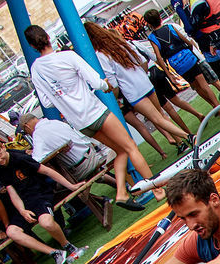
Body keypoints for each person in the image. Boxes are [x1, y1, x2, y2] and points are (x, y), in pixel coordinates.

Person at [25, 23, 157, 211]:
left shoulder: (36, 69)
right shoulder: (67, 56)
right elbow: (96, 81)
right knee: (130, 146)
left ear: (32, 46)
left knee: (120, 150)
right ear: (47, 37)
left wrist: (63, 97)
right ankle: (155, 188)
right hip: (94, 111)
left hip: (80, 122)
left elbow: (46, 102)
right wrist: (103, 85)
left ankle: (121, 192)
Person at [84, 22, 191, 159]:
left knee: (157, 119)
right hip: (144, 82)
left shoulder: (100, 55)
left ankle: (187, 137)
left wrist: (115, 97)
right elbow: (142, 60)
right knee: (160, 115)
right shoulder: (120, 43)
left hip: (133, 92)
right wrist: (141, 74)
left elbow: (114, 83)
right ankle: (181, 141)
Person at [0, 137, 87, 264]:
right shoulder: (0, 170)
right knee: (12, 231)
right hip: (25, 203)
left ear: (3, 147)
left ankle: (68, 245)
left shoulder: (19, 158)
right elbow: (13, 193)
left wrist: (71, 186)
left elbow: (46, 170)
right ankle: (55, 253)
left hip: (40, 195)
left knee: (46, 222)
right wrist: (22, 211)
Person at [143, 9, 220, 114]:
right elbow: (187, 41)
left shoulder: (152, 37)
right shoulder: (170, 28)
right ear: (160, 18)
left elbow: (159, 58)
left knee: (197, 87)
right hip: (188, 58)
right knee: (204, 84)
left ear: (149, 24)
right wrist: (191, 50)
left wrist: (169, 74)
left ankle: (214, 107)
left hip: (177, 64)